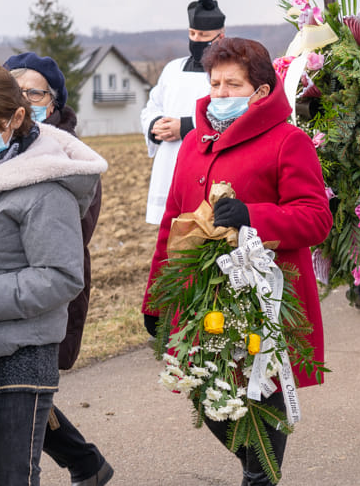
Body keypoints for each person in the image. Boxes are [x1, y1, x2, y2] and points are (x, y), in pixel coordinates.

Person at [142, 38, 332, 484]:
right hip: (201, 292)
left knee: (260, 386)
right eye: (215, 83)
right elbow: (172, 224)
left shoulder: (288, 141)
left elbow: (316, 218)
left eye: (233, 84)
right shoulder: (194, 143)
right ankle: (254, 464)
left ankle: (261, 474)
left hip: (263, 293)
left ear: (261, 91)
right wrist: (155, 299)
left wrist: (254, 217)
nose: (221, 93)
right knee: (206, 389)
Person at [0, 63, 106, 484]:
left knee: (10, 475)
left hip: (19, 356)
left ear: (16, 119)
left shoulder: (46, 186)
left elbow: (59, 277)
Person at [3, 53, 113, 485]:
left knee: (20, 393)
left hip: (43, 293)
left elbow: (67, 239)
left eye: (35, 92)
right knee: (17, 391)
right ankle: (86, 462)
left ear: (53, 102)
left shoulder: (71, 158)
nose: (25, 99)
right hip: (2, 292)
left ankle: (84, 462)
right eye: (16, 90)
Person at [140, 0, 225, 224]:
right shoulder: (172, 69)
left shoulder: (227, 72)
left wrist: (185, 127)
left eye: (204, 36)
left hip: (204, 159)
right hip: (168, 160)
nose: (197, 40)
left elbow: (229, 113)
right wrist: (155, 124)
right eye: (192, 34)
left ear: (220, 36)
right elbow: (152, 105)